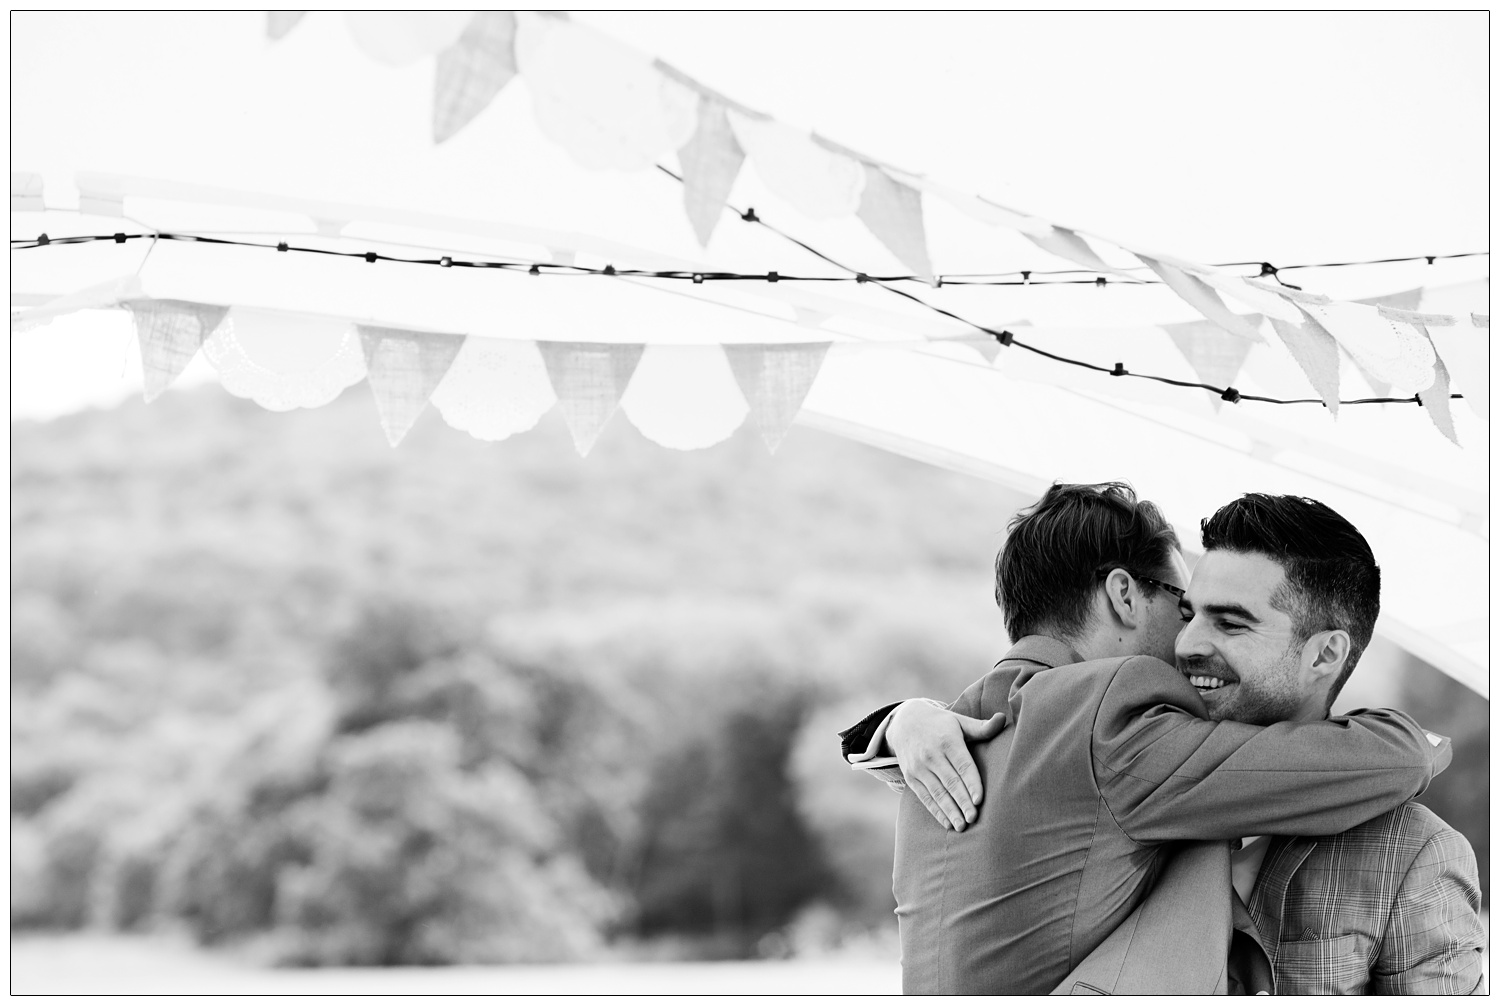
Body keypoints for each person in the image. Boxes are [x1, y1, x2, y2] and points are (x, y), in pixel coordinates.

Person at [839, 485, 1481, 994]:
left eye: (1225, 620)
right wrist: (1418, 742)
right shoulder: (1117, 725)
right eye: (1185, 606)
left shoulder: (965, 733)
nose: (1187, 640)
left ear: (1326, 655)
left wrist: (897, 721)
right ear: (1122, 595)